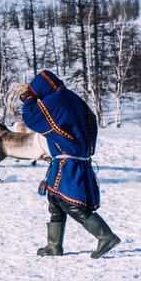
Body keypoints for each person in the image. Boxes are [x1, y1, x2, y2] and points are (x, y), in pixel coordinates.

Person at [20, 70, 120, 259]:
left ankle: (105, 236)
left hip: (68, 163)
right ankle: (54, 246)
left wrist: (29, 100)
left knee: (69, 202)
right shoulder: (75, 99)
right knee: (54, 199)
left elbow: (32, 118)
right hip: (76, 159)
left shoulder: (54, 102)